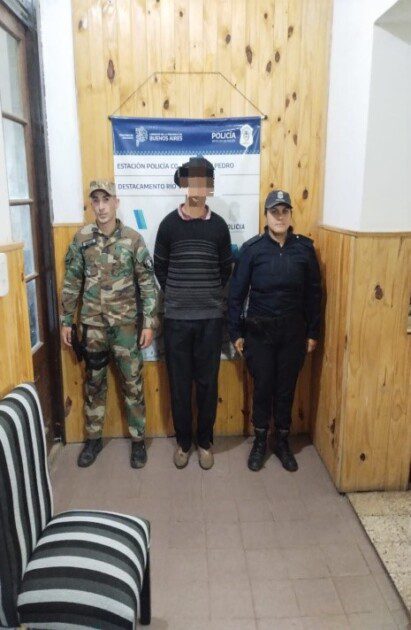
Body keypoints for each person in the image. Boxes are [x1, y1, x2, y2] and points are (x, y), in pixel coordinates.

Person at [60, 180, 158, 468]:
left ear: (116, 202)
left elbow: (147, 285)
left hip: (125, 327)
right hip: (92, 327)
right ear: (92, 204)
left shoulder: (133, 239)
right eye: (96, 200)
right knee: (94, 384)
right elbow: (72, 282)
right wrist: (66, 320)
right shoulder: (82, 239)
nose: (101, 207)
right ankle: (93, 439)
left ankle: (138, 441)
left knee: (133, 384)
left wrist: (148, 323)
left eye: (106, 199)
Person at [228, 189, 322, 472]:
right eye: (274, 212)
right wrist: (236, 333)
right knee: (263, 387)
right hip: (260, 333)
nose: (279, 217)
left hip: (293, 333)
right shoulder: (252, 249)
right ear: (266, 216)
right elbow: (236, 294)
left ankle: (281, 441)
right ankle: (260, 441)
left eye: (284, 211)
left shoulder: (304, 249)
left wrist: (313, 333)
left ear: (290, 215)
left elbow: (314, 294)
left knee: (285, 389)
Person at [154, 157, 232, 470]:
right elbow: (160, 268)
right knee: (179, 384)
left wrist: (206, 296)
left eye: (204, 181)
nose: (198, 187)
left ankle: (204, 443)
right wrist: (179, 294)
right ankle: (184, 443)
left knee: (208, 385)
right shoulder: (168, 225)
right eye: (193, 180)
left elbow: (225, 270)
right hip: (176, 319)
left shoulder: (219, 227)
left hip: (210, 320)